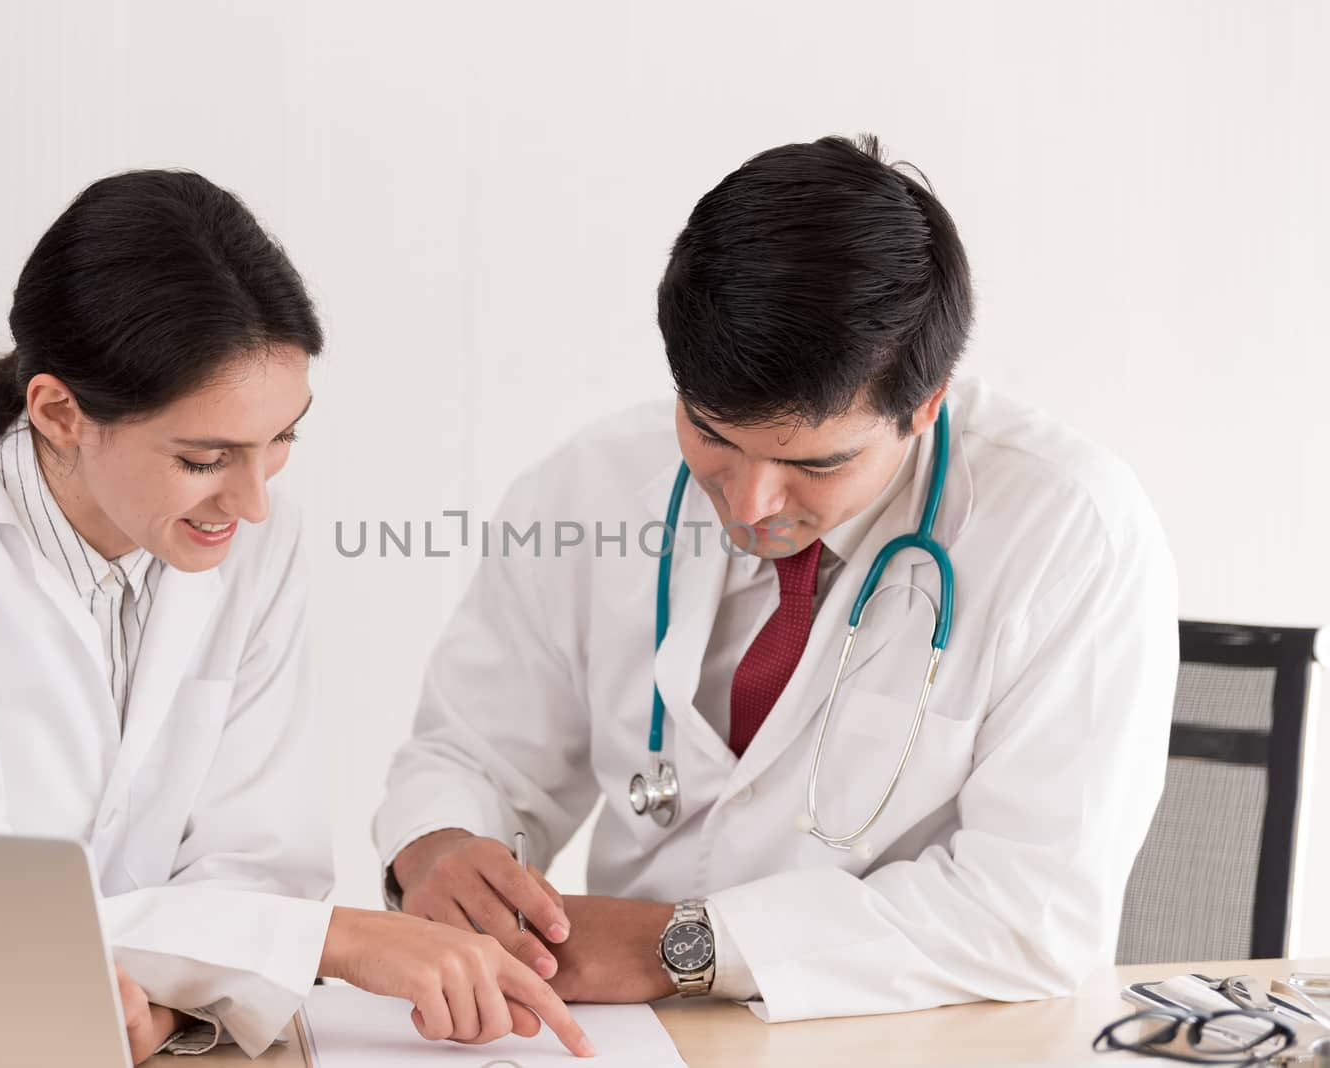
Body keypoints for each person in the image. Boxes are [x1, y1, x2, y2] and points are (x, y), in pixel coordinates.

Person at [0, 171, 591, 1061]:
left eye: (282, 440)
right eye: (205, 457)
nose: (253, 500)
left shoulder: (254, 543)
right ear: (60, 412)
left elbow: (261, 866)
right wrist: (334, 941)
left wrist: (167, 1000)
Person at [374, 135, 1179, 1022]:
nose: (751, 502)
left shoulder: (1067, 533)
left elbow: (1033, 914)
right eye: (712, 434)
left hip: (915, 1037)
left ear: (927, 403)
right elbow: (474, 753)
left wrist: (674, 946)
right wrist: (438, 844)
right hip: (639, 1039)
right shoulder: (590, 485)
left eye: (816, 464)